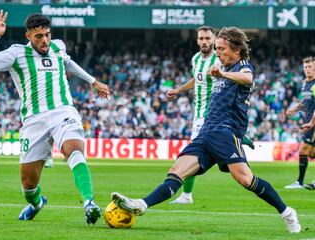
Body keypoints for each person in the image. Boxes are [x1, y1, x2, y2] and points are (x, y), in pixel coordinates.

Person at [111, 27, 301, 233]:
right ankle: (142, 204)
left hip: (226, 131)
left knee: (245, 179)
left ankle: (286, 212)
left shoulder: (242, 65)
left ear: (236, 49)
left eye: (221, 48)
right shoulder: (219, 66)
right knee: (176, 172)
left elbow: (248, 79)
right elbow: (200, 79)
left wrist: (223, 73)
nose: (217, 52)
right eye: (216, 48)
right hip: (206, 131)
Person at [0, 10, 110, 224]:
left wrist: (93, 81)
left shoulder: (58, 46)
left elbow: (67, 62)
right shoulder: (16, 53)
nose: (45, 40)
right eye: (39, 36)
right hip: (34, 119)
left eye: (47, 34)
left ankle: (89, 203)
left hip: (63, 111)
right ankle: (37, 203)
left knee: (74, 150)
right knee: (28, 185)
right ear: (28, 35)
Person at [166, 26, 254, 205]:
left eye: (208, 38)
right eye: (201, 38)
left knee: (191, 152)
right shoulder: (196, 59)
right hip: (197, 113)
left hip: (212, 115)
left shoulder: (221, 58)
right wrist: (178, 90)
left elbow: (242, 77)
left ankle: (186, 195)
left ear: (215, 41)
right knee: (195, 154)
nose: (204, 42)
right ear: (197, 40)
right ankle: (239, 140)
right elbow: (197, 79)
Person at [284, 57, 315, 189]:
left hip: (313, 123)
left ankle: (299, 182)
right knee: (311, 153)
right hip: (309, 122)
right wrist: (294, 109)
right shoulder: (305, 84)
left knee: (303, 150)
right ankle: (302, 182)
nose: (307, 69)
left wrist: (312, 123)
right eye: (305, 67)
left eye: (310, 67)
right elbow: (305, 102)